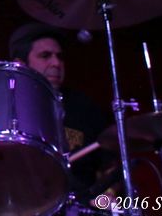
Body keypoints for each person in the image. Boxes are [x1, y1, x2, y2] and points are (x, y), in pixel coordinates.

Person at [8, 22, 117, 203]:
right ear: (20, 64)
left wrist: (107, 195)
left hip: (79, 205)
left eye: (59, 57)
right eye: (45, 56)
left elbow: (110, 164)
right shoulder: (6, 108)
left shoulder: (84, 107)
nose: (56, 63)